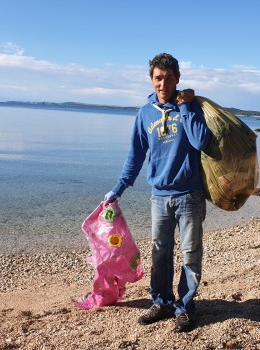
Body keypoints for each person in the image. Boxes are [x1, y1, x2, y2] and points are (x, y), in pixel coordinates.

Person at [104, 53, 212, 332]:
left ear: (177, 79)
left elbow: (201, 141)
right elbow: (135, 156)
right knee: (160, 253)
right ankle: (162, 302)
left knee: (190, 254)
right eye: (158, 78)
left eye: (168, 78)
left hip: (190, 195)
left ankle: (186, 307)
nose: (163, 83)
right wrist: (118, 189)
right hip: (159, 196)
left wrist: (187, 107)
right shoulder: (145, 113)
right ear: (151, 80)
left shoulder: (191, 107)